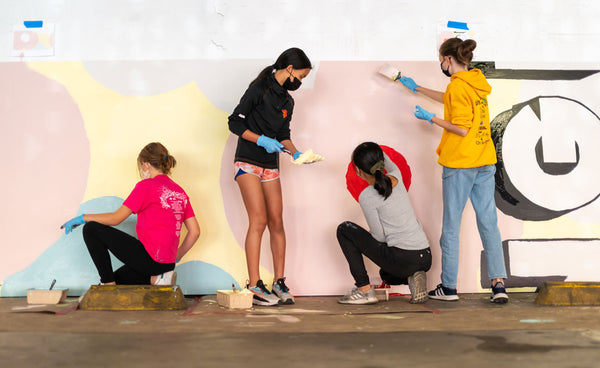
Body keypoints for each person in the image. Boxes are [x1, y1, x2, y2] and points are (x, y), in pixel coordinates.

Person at [398, 38, 508, 303]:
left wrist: (431, 118)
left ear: (448, 59)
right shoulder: (475, 82)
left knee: (450, 227)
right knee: (489, 224)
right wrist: (418, 88)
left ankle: (448, 288)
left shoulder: (457, 87)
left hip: (460, 164)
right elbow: (450, 98)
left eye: (441, 60)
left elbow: (461, 128)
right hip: (484, 160)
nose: (441, 65)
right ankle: (499, 284)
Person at [227, 47, 312, 306]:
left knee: (277, 221)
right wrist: (261, 139)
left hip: (270, 165)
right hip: (248, 162)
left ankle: (279, 281)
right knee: (259, 220)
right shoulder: (259, 89)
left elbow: (284, 135)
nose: (300, 81)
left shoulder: (288, 101)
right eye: (301, 76)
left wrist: (297, 154)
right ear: (289, 70)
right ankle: (253, 284)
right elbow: (234, 123)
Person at [61, 142, 200, 286]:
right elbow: (195, 231)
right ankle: (157, 279)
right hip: (167, 265)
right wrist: (177, 256)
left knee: (91, 229)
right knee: (118, 279)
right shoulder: (180, 192)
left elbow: (116, 218)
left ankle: (108, 286)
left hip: (150, 261)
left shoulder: (146, 186)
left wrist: (84, 217)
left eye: (141, 166)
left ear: (145, 164)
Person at [337, 142, 432, 305]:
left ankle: (364, 290)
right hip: (425, 256)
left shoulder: (367, 196)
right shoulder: (397, 176)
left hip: (403, 258)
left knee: (344, 229)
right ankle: (413, 274)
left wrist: (364, 240)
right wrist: (372, 149)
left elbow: (379, 237)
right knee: (386, 275)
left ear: (358, 170)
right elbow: (385, 159)